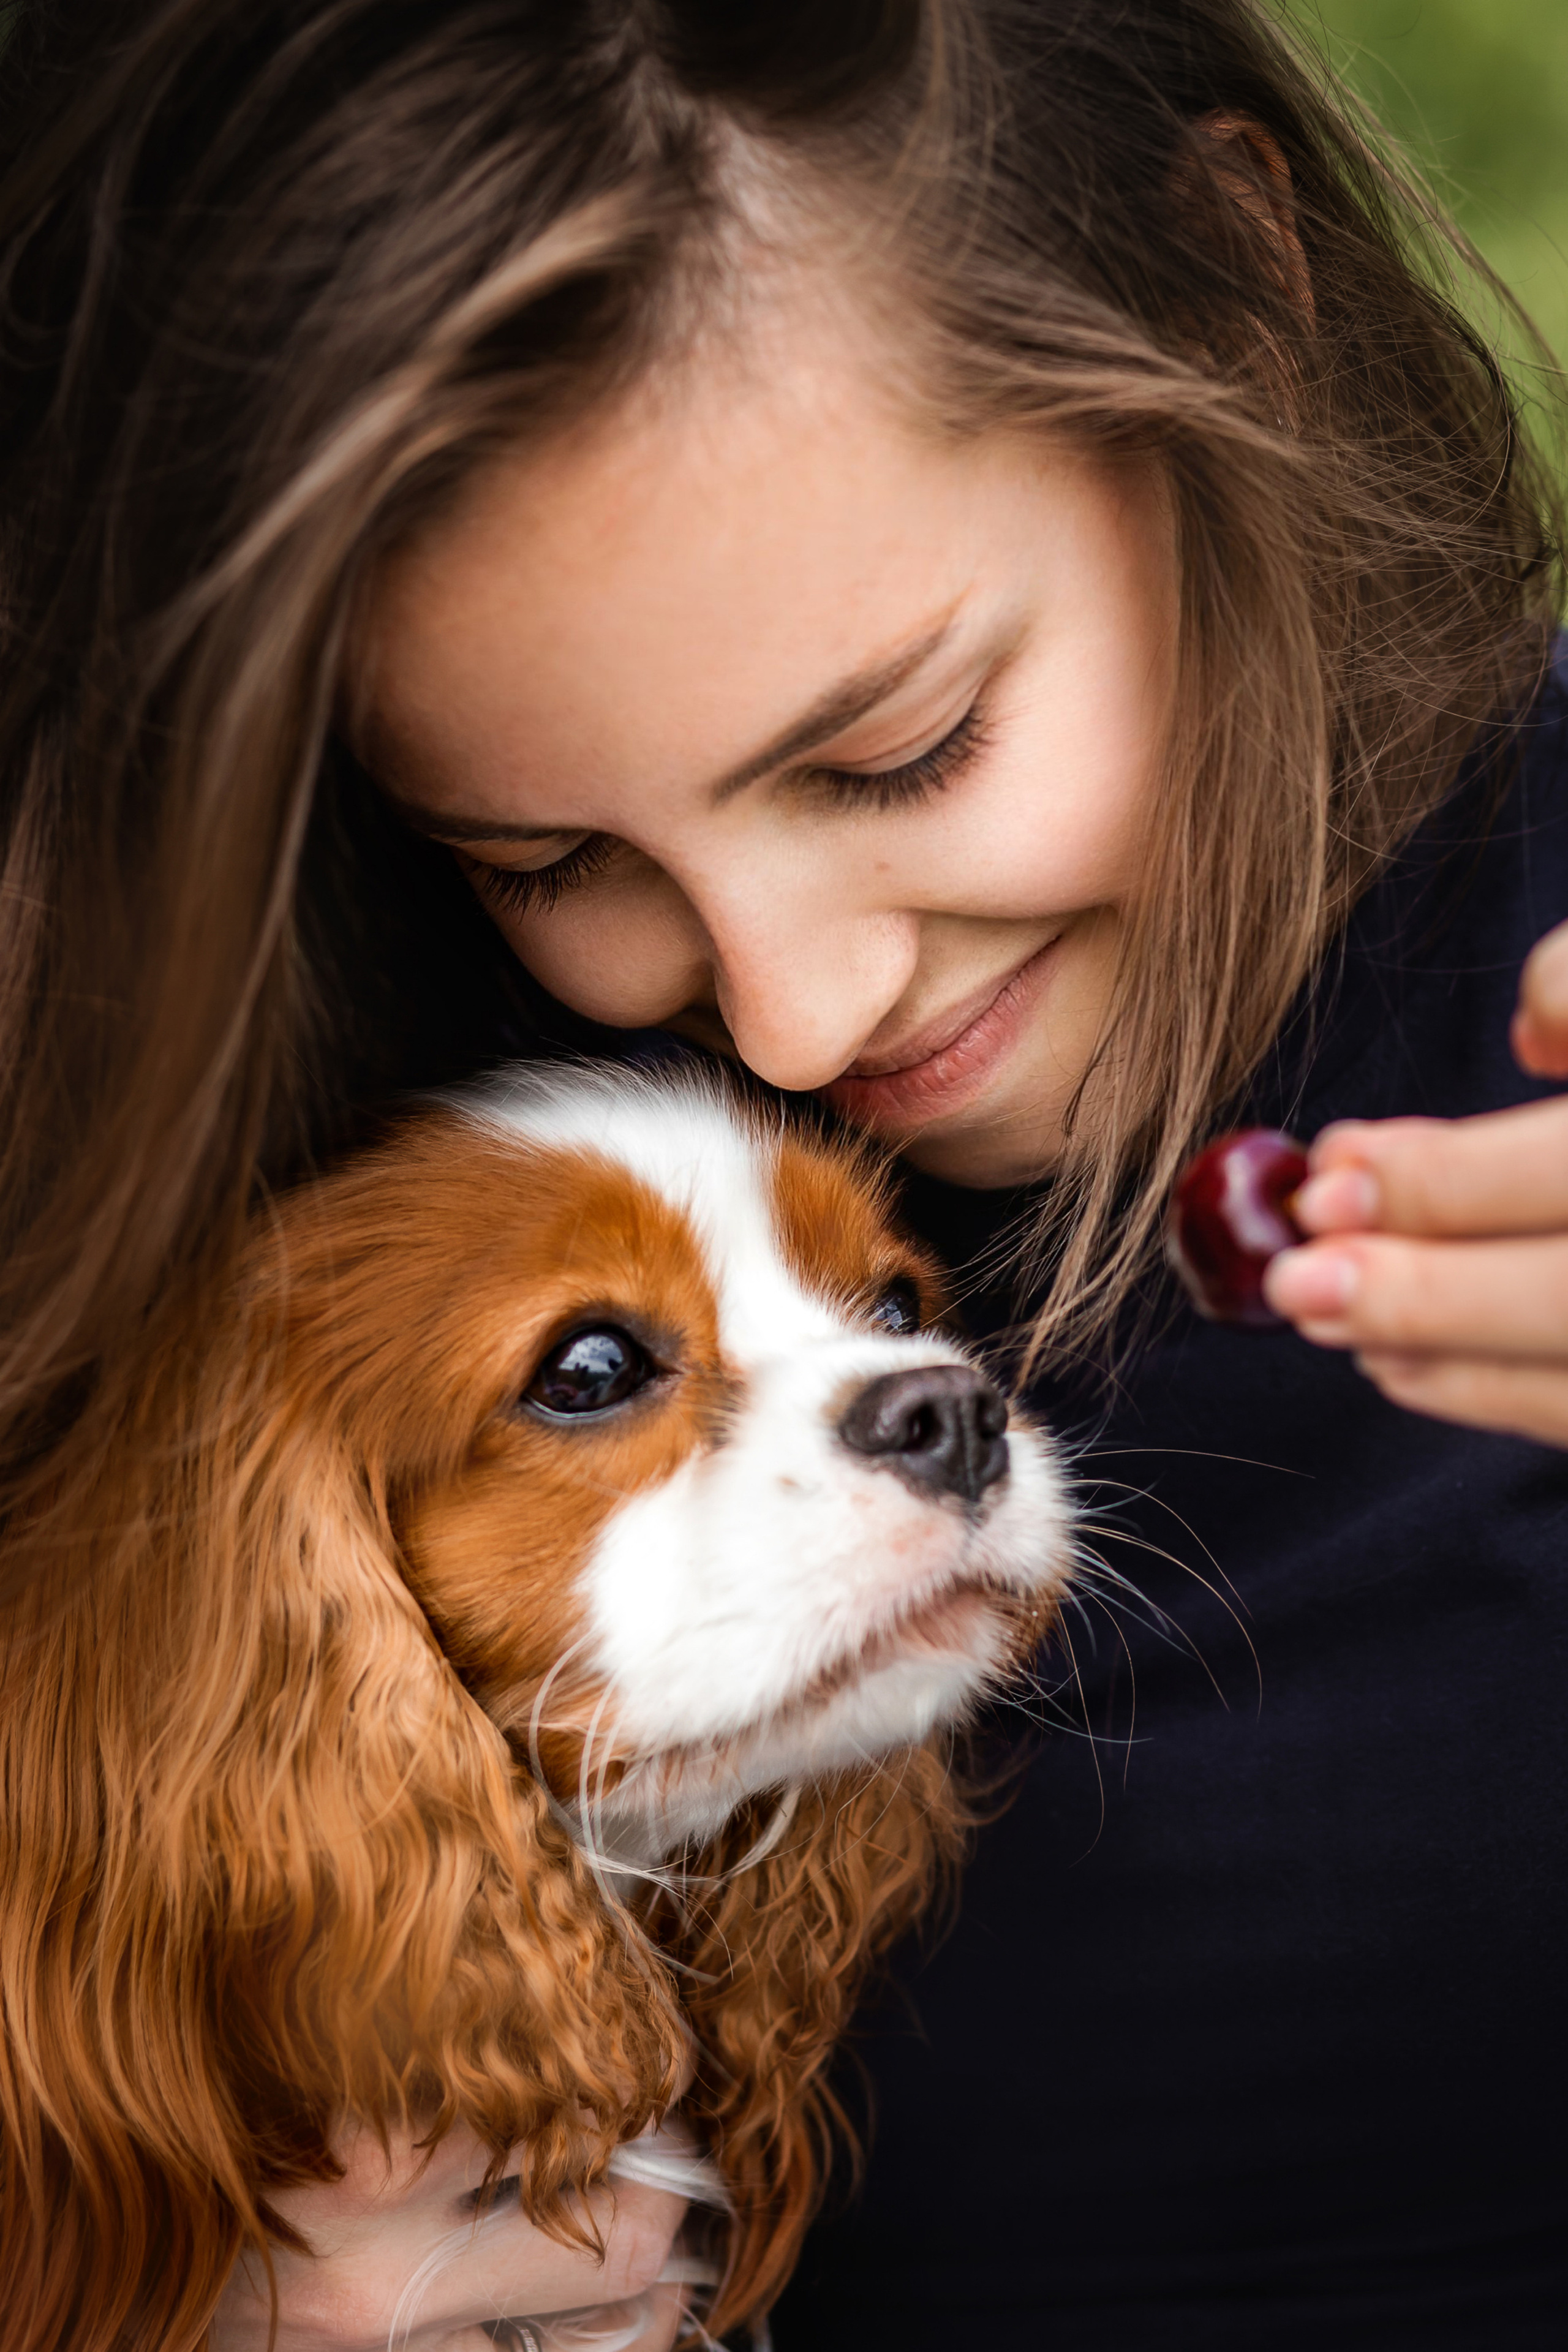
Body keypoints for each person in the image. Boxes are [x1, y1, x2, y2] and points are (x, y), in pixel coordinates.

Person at [1, 0, 1564, 2345]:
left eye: (905, 748)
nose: (797, 1022)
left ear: (1236, 298)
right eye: (546, 860)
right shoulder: (280, 1121)